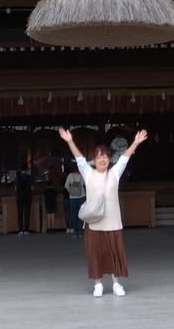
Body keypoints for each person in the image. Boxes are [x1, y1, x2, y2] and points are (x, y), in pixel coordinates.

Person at [59, 127, 148, 297]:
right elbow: (79, 159)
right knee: (95, 254)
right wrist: (70, 141)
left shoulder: (115, 173)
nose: (102, 159)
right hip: (93, 223)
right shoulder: (88, 173)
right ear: (94, 159)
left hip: (113, 222)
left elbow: (124, 158)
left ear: (109, 159)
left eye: (105, 156)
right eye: (98, 156)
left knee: (114, 253)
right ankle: (98, 285)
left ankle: (116, 284)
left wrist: (135, 142)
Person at [64, 163, 86, 237]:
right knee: (81, 214)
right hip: (82, 196)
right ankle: (80, 231)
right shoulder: (82, 175)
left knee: (74, 214)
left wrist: (71, 191)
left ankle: (75, 231)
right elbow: (85, 184)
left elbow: (66, 185)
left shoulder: (70, 175)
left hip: (72, 197)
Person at [14, 163, 33, 236]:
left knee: (20, 214)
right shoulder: (29, 177)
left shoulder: (17, 178)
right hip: (28, 197)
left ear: (20, 169)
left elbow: (15, 189)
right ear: (27, 170)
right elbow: (32, 188)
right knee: (27, 214)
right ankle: (27, 230)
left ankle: (20, 230)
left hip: (20, 198)